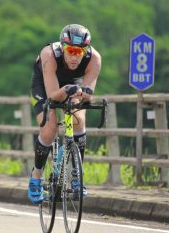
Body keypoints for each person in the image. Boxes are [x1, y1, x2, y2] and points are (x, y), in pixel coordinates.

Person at [28, 24, 101, 204]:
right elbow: (53, 95)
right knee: (50, 127)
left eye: (80, 51)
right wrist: (67, 90)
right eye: (70, 50)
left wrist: (81, 94)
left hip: (73, 83)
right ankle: (36, 175)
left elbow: (88, 96)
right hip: (45, 84)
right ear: (62, 47)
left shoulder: (94, 59)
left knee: (79, 120)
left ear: (87, 50)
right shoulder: (49, 55)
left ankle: (77, 175)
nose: (75, 56)